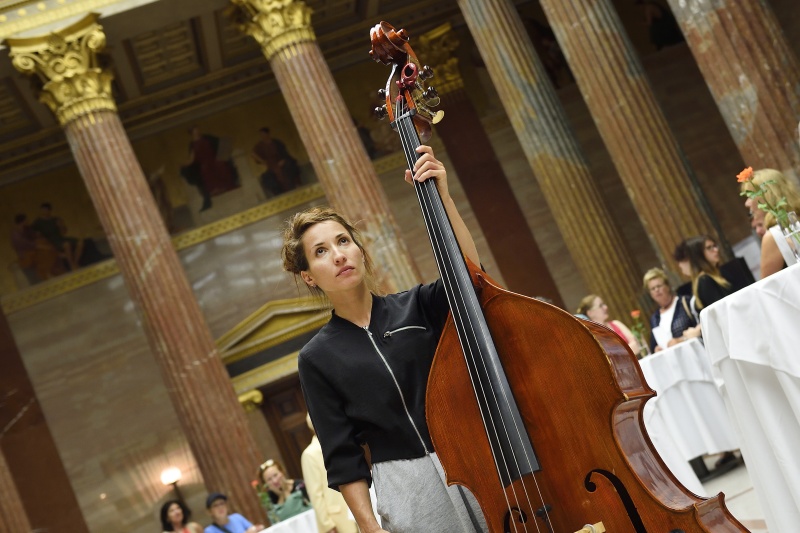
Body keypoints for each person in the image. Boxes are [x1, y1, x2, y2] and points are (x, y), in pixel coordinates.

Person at [285, 145, 487, 533]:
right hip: (406, 487)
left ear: (360, 250)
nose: (339, 255)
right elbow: (341, 454)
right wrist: (370, 526)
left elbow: (470, 277)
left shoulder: (417, 305)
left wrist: (442, 195)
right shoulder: (317, 357)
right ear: (309, 275)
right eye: (322, 251)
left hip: (473, 455)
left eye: (344, 242)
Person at [301, 414, 358, 533]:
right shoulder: (310, 454)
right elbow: (315, 494)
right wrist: (327, 525)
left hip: (357, 508)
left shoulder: (341, 443)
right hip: (338, 518)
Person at [740, 168, 800, 277]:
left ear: (766, 196)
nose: (747, 203)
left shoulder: (774, 236)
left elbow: (767, 288)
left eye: (750, 196)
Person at [182, 126, 239, 211]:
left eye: (197, 130)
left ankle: (227, 185)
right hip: (204, 164)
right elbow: (192, 158)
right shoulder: (192, 144)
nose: (197, 131)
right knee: (205, 170)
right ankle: (215, 190)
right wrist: (184, 164)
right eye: (195, 131)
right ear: (192, 133)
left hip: (214, 159)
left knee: (221, 166)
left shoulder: (207, 138)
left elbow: (220, 143)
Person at [673, 235, 732, 318]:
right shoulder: (704, 280)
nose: (716, 250)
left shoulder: (709, 278)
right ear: (699, 254)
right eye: (709, 248)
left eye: (715, 246)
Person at [642, 268, 699, 352]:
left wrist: (682, 340)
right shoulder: (654, 318)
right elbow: (654, 345)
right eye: (653, 289)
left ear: (667, 286)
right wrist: (656, 349)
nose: (656, 290)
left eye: (659, 286)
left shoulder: (685, 302)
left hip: (694, 353)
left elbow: (701, 326)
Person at [576, 294, 641, 354]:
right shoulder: (592, 337)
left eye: (604, 304)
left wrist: (619, 355)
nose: (605, 307)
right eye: (600, 305)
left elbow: (636, 345)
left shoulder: (616, 323)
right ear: (590, 313)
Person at [30, 202, 84, 271]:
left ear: (49, 211)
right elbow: (32, 233)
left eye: (46, 210)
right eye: (43, 210)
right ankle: (71, 265)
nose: (44, 212)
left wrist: (61, 225)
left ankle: (75, 262)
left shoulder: (55, 219)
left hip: (60, 238)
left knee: (80, 242)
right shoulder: (38, 222)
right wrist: (38, 236)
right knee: (66, 245)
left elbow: (63, 232)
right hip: (50, 241)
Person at [10, 213, 62, 283]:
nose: (28, 221)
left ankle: (54, 269)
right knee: (44, 249)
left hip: (33, 249)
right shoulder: (15, 235)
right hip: (26, 254)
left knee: (44, 243)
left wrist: (38, 236)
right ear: (23, 221)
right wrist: (43, 247)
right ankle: (45, 272)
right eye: (26, 220)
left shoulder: (26, 229)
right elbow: (27, 245)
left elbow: (34, 236)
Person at [252, 127, 301, 197]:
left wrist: (283, 160)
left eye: (264, 134)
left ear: (267, 134)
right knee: (268, 177)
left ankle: (295, 188)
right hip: (271, 165)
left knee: (289, 168)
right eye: (261, 135)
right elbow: (255, 155)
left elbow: (284, 153)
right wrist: (263, 161)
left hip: (282, 161)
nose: (263, 136)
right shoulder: (260, 146)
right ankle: (280, 194)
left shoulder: (277, 142)